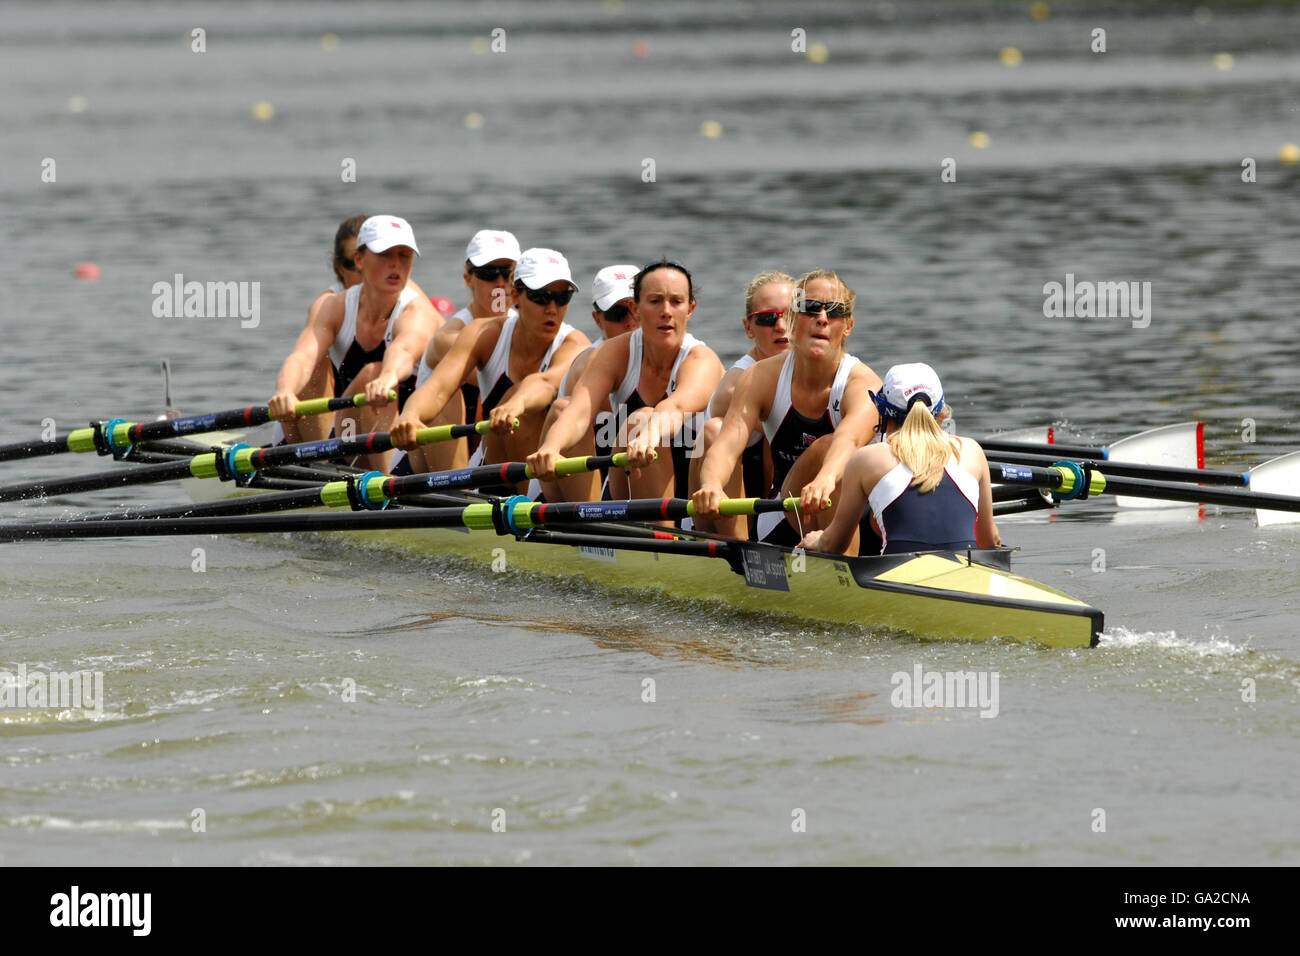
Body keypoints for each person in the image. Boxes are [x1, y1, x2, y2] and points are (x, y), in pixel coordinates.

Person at [691, 269, 881, 547]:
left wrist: (825, 479)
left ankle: (839, 574)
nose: (822, 319)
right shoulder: (759, 377)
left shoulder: (864, 384)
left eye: (835, 312)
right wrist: (711, 485)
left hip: (856, 515)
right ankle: (736, 561)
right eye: (810, 308)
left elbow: (849, 440)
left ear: (848, 326)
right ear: (792, 319)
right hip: (784, 514)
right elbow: (727, 445)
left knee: (833, 452)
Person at [528, 259, 724, 521]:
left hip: (695, 503)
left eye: (676, 302)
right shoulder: (614, 353)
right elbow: (580, 410)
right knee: (569, 409)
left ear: (690, 310)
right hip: (629, 488)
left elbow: (674, 408)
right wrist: (551, 448)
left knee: (642, 419)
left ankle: (667, 546)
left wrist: (648, 436)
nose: (666, 311)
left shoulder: (702, 360)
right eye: (655, 301)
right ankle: (604, 535)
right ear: (636, 309)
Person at [390, 248, 590, 489]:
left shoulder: (575, 345)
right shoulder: (483, 333)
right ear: (515, 296)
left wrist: (517, 404)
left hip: (547, 482)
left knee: (541, 405)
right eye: (541, 297)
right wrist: (411, 415)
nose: (552, 309)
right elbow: (438, 388)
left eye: (562, 298)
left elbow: (545, 383)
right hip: (490, 472)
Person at [269, 216, 441, 470]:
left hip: (407, 448)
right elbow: (302, 357)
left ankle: (385, 492)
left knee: (375, 373)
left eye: (405, 255)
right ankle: (316, 470)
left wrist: (388, 378)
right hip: (348, 437)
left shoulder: (417, 311)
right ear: (359, 260)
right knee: (315, 364)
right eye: (385, 255)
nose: (396, 264)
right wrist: (285, 391)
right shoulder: (334, 306)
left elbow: (403, 349)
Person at [799, 363, 1001, 556]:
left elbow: (834, 545)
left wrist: (818, 540)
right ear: (942, 414)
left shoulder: (866, 459)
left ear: (883, 412)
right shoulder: (972, 451)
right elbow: (989, 542)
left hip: (897, 577)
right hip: (967, 573)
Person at [403, 229, 522, 474]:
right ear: (469, 279)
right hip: (426, 466)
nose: (500, 284)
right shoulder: (449, 337)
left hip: (487, 455)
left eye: (508, 274)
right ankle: (458, 497)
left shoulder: (532, 329)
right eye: (489, 274)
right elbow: (500, 382)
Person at [687, 270, 794, 537]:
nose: (781, 326)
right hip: (716, 516)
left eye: (790, 315)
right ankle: (741, 549)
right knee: (716, 429)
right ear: (749, 328)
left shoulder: (815, 373)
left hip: (774, 503)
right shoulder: (737, 383)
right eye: (768, 319)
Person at [538, 263, 640, 502]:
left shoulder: (681, 356)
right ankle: (592, 531)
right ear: (598, 319)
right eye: (618, 314)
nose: (631, 322)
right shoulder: (591, 363)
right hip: (569, 492)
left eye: (637, 310)